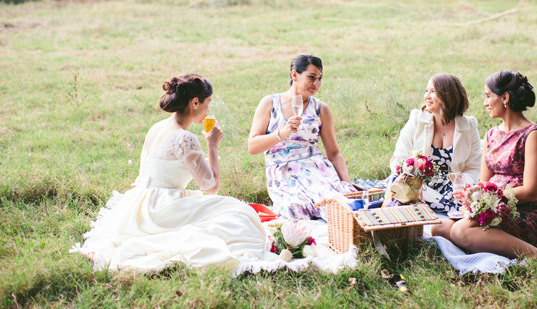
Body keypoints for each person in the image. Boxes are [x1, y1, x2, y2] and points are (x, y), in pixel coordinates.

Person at [72, 74, 267, 272]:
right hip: (164, 208)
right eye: (208, 103)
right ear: (195, 102)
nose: (209, 110)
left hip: (139, 204)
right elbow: (211, 187)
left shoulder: (156, 128)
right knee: (240, 212)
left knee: (229, 211)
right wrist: (212, 145)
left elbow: (171, 168)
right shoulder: (185, 138)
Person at [445, 70, 537, 268]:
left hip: (529, 214)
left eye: (488, 95)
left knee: (459, 232)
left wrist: (489, 200)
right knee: (441, 228)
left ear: (505, 98)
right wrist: (471, 200)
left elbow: (532, 192)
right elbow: (483, 183)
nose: (484, 102)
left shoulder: (532, 135)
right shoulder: (491, 135)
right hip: (494, 208)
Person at [248, 54, 355, 220]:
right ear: (294, 75)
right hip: (283, 172)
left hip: (316, 169)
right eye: (311, 77)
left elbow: (334, 153)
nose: (316, 84)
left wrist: (347, 186)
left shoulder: (321, 109)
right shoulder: (270, 103)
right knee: (296, 210)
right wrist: (281, 133)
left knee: (337, 206)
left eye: (320, 78)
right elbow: (252, 147)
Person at [390, 73, 482, 220]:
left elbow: (474, 168)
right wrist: (411, 173)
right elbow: (398, 159)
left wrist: (461, 181)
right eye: (426, 91)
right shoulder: (416, 119)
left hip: (452, 190)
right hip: (419, 186)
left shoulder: (469, 126)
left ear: (448, 96)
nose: (427, 96)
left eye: (433, 91)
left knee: (468, 210)